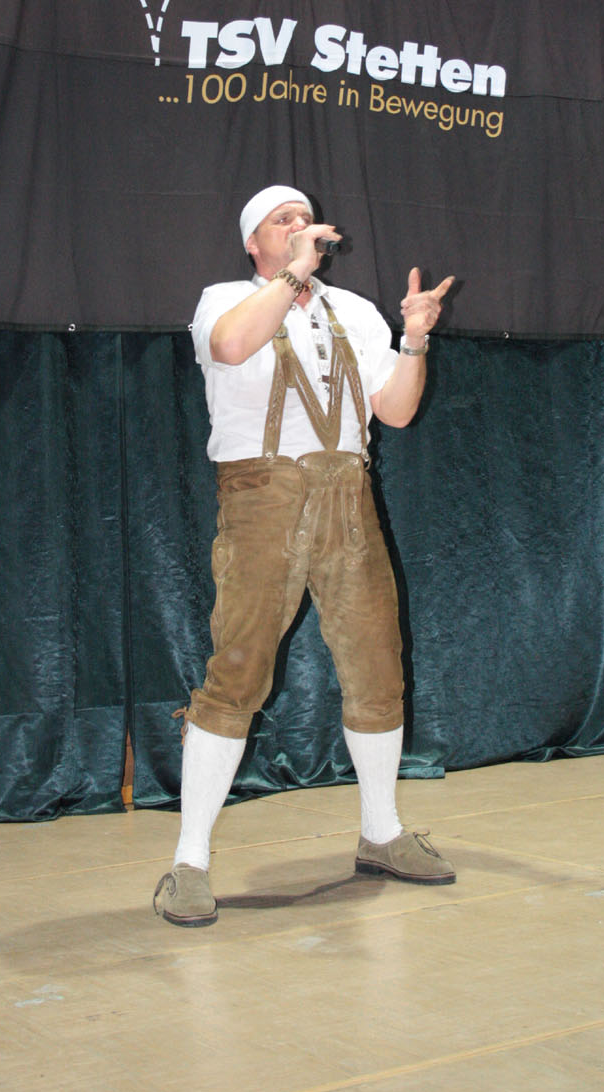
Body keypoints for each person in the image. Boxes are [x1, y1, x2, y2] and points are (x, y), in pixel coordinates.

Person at [154, 185, 456, 926]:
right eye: (281, 220)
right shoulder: (225, 298)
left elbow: (396, 411)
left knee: (378, 663)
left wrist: (414, 339)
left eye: (304, 217)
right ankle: (189, 861)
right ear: (253, 243)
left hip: (348, 496)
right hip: (263, 496)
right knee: (238, 670)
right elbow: (232, 347)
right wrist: (291, 276)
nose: (300, 225)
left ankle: (381, 832)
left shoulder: (354, 310)